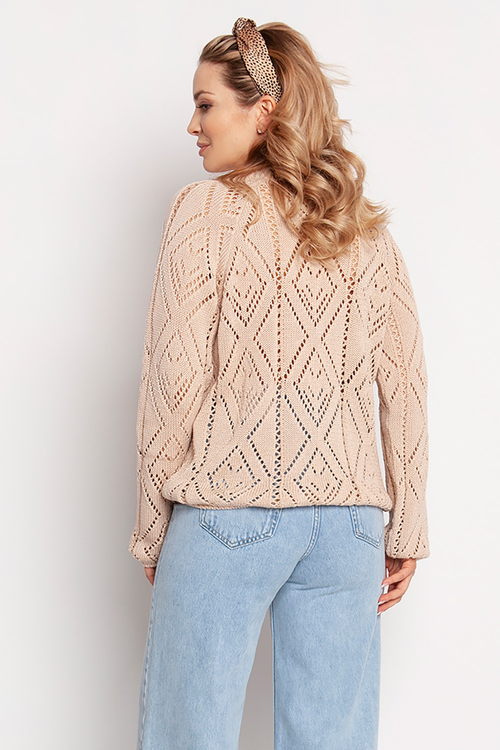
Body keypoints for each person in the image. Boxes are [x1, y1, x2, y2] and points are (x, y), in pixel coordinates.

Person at [129, 17, 430, 750]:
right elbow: (406, 384)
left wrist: (152, 528)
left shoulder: (204, 211)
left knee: (186, 737)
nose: (193, 125)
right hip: (351, 527)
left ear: (263, 111)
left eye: (205, 104)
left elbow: (175, 378)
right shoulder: (365, 229)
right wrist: (406, 527)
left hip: (230, 507)